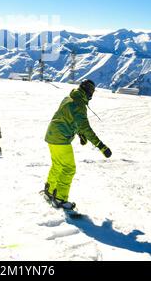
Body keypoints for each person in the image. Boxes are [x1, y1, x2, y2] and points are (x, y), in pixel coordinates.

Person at [44, 79, 112, 210]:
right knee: (69, 168)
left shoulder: (69, 98)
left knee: (58, 165)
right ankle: (60, 199)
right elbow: (85, 127)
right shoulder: (79, 105)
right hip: (61, 138)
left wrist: (79, 133)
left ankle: (49, 191)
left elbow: (68, 118)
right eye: (92, 91)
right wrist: (101, 146)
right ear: (89, 92)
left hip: (52, 135)